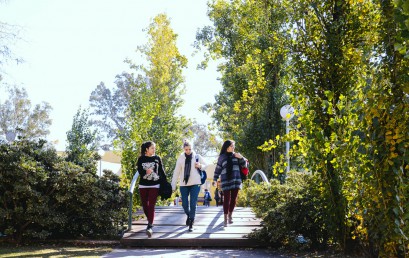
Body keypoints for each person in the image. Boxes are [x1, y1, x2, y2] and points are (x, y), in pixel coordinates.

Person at [171, 140, 207, 232]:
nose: (188, 151)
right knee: (185, 204)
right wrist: (173, 186)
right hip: (184, 184)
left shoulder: (197, 156)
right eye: (186, 149)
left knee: (193, 203)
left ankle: (191, 221)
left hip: (195, 183)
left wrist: (200, 165)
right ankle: (189, 215)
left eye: (190, 149)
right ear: (183, 149)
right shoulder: (181, 158)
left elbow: (206, 165)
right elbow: (176, 172)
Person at [213, 139, 247, 227]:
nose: (233, 147)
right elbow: (218, 169)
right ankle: (225, 218)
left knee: (234, 199)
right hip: (225, 180)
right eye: (232, 146)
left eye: (233, 146)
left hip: (236, 180)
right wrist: (214, 179)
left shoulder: (237, 155)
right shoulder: (222, 157)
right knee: (226, 199)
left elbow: (244, 165)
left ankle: (230, 216)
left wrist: (241, 157)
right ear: (227, 147)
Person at [137, 141, 166, 238]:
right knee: (145, 206)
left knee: (151, 205)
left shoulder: (157, 158)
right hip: (143, 185)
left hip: (155, 184)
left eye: (154, 148)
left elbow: (161, 171)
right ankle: (150, 221)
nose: (154, 150)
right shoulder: (141, 159)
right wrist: (146, 171)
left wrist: (165, 183)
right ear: (147, 149)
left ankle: (150, 226)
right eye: (152, 148)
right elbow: (139, 171)